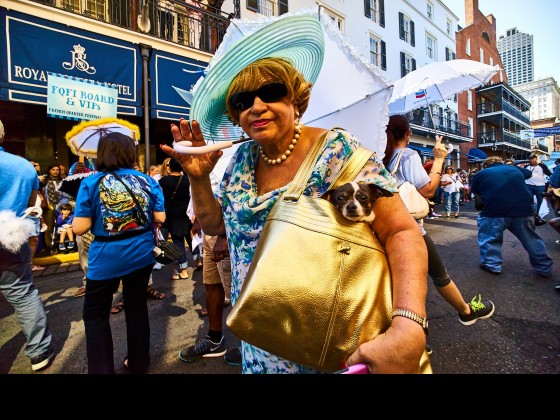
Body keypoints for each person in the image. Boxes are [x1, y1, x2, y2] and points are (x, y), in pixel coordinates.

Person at [162, 54, 429, 373]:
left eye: (271, 92)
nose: (256, 107)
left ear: (296, 99)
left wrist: (409, 324)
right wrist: (198, 177)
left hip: (331, 344)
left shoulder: (336, 150)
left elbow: (401, 231)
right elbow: (217, 224)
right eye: (243, 100)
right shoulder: (242, 158)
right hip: (259, 341)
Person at [383, 115, 494, 341]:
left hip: (385, 227)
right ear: (407, 133)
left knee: (396, 282)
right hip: (409, 227)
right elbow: (429, 190)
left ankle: (408, 336)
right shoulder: (408, 155)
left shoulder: (380, 157)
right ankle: (465, 312)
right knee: (437, 275)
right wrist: (439, 158)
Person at [72, 131, 165, 374]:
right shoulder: (149, 181)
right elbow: (160, 217)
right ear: (130, 153)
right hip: (142, 252)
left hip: (106, 258)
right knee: (136, 307)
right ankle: (138, 362)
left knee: (95, 314)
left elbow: (80, 227)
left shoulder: (90, 182)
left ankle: (102, 369)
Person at [0, 119, 54, 371]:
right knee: (23, 294)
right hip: (11, 235)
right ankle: (39, 351)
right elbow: (33, 203)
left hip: (13, 236)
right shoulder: (23, 166)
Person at [471, 156, 553, 277]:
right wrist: (512, 166)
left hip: (495, 211)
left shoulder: (481, 173)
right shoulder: (515, 169)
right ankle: (544, 267)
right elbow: (528, 173)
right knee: (531, 239)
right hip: (523, 210)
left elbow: (476, 193)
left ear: (486, 165)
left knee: (490, 238)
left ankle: (492, 265)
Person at [158, 158, 193, 280]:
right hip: (186, 214)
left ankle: (183, 270)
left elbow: (160, 199)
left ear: (170, 167)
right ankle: (198, 260)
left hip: (171, 216)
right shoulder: (187, 180)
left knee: (178, 241)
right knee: (190, 237)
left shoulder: (163, 181)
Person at [525, 154, 551, 226]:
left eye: (533, 159)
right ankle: (535, 215)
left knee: (540, 201)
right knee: (529, 200)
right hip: (528, 185)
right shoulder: (526, 167)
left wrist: (550, 186)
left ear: (536, 159)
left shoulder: (542, 166)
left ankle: (538, 216)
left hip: (540, 186)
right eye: (530, 159)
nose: (531, 160)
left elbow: (549, 174)